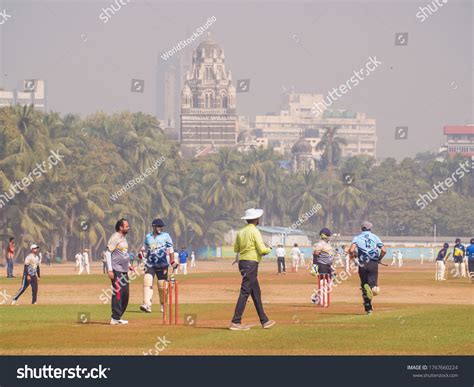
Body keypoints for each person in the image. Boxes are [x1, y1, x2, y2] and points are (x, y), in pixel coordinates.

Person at [230, 208, 275, 331]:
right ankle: (235, 321)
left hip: (243, 263)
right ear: (255, 219)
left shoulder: (240, 232)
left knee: (256, 293)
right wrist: (269, 249)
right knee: (245, 292)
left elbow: (236, 248)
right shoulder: (255, 231)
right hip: (251, 263)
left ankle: (264, 320)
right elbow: (262, 250)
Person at [140, 219, 177, 314]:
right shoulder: (148, 237)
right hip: (150, 264)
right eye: (159, 226)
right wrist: (141, 254)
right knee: (147, 280)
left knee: (162, 286)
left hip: (162, 264)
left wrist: (172, 261)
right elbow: (144, 248)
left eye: (161, 227)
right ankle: (147, 305)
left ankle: (163, 304)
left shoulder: (166, 236)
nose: (160, 228)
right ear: (154, 226)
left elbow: (171, 249)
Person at [349, 221, 386, 315]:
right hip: (373, 263)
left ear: (362, 228)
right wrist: (379, 259)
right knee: (373, 286)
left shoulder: (357, 238)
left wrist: (353, 257)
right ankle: (373, 288)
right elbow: (384, 250)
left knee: (364, 286)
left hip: (362, 264)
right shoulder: (375, 237)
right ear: (371, 228)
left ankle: (368, 308)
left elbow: (351, 250)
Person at [105, 218, 133, 325]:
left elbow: (124, 253)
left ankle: (118, 316)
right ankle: (114, 318)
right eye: (126, 226)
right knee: (118, 293)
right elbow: (108, 253)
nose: (128, 228)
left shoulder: (123, 238)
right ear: (120, 227)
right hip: (116, 270)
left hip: (124, 270)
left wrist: (129, 265)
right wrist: (110, 270)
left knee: (125, 294)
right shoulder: (115, 237)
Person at [311, 228, 335, 306]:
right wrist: (314, 268)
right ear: (325, 236)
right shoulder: (320, 244)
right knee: (323, 283)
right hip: (322, 265)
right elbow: (315, 256)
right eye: (329, 235)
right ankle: (319, 300)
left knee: (331, 281)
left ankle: (316, 297)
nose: (330, 237)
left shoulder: (327, 244)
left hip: (328, 265)